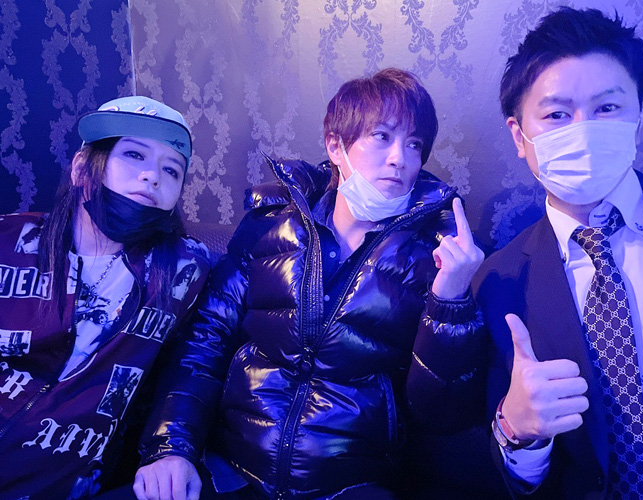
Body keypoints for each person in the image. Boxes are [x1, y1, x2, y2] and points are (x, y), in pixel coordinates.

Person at [134, 68, 486, 499]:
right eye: (382, 137)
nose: (400, 158)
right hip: (232, 469)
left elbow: (443, 414)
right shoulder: (270, 226)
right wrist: (172, 447)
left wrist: (450, 303)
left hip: (351, 483)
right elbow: (206, 340)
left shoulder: (434, 255)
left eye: (414, 144)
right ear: (336, 146)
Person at [470, 7, 643, 500]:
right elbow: (520, 484)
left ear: (638, 117)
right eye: (557, 114)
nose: (584, 130)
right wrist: (518, 431)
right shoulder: (499, 283)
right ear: (520, 136)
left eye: (607, 108)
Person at [0, 96, 210, 499]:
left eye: (171, 169)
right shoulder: (8, 240)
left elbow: (193, 364)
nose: (152, 176)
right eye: (134, 154)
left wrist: (171, 448)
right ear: (83, 168)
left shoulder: (184, 269)